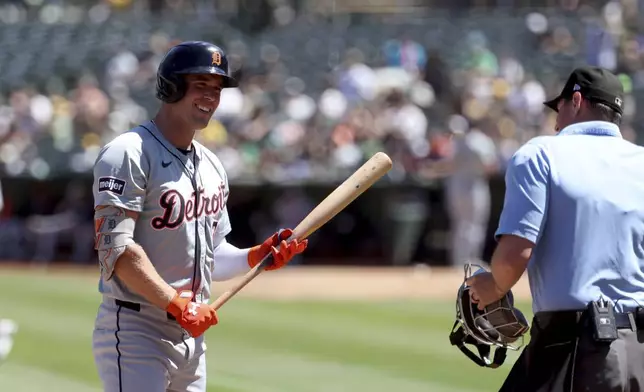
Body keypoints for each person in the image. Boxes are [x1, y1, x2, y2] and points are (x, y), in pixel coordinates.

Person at [91, 41, 308, 392]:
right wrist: (177, 304)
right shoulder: (128, 152)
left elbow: (211, 257)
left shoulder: (211, 165)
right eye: (201, 85)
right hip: (136, 331)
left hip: (191, 339)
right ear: (172, 86)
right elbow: (116, 251)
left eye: (217, 88)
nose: (211, 96)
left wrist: (259, 255)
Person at [465, 65, 644, 391]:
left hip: (574, 348)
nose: (556, 119)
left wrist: (491, 287)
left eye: (558, 107)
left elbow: (514, 255)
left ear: (576, 100)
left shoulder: (540, 153)